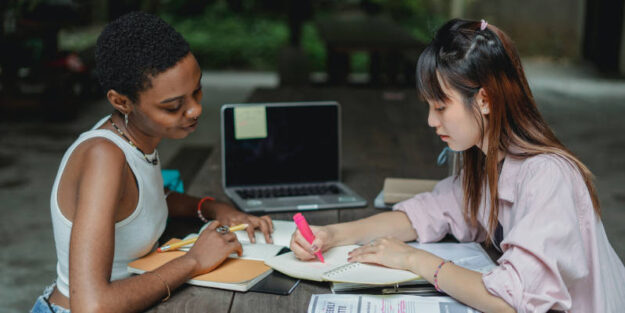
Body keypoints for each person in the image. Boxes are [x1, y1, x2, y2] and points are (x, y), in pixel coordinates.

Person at [290, 18, 625, 313]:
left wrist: (414, 260)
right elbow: (425, 214)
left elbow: (511, 301)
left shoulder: (548, 176)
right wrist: (333, 235)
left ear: (484, 99)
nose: (431, 121)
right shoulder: (490, 161)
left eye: (440, 106)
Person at [31, 12, 274, 313]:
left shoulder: (133, 137)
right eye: (174, 106)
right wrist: (193, 261)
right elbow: (91, 307)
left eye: (197, 90)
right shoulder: (103, 158)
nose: (195, 110)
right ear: (121, 102)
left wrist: (213, 208)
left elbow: (143, 200)